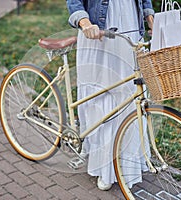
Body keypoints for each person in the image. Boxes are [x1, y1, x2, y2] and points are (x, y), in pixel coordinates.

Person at [66, 0, 154, 191]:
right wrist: (85, 22)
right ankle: (104, 167)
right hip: (99, 32)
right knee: (103, 94)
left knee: (132, 94)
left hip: (130, 27)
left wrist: (150, 17)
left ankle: (128, 161)